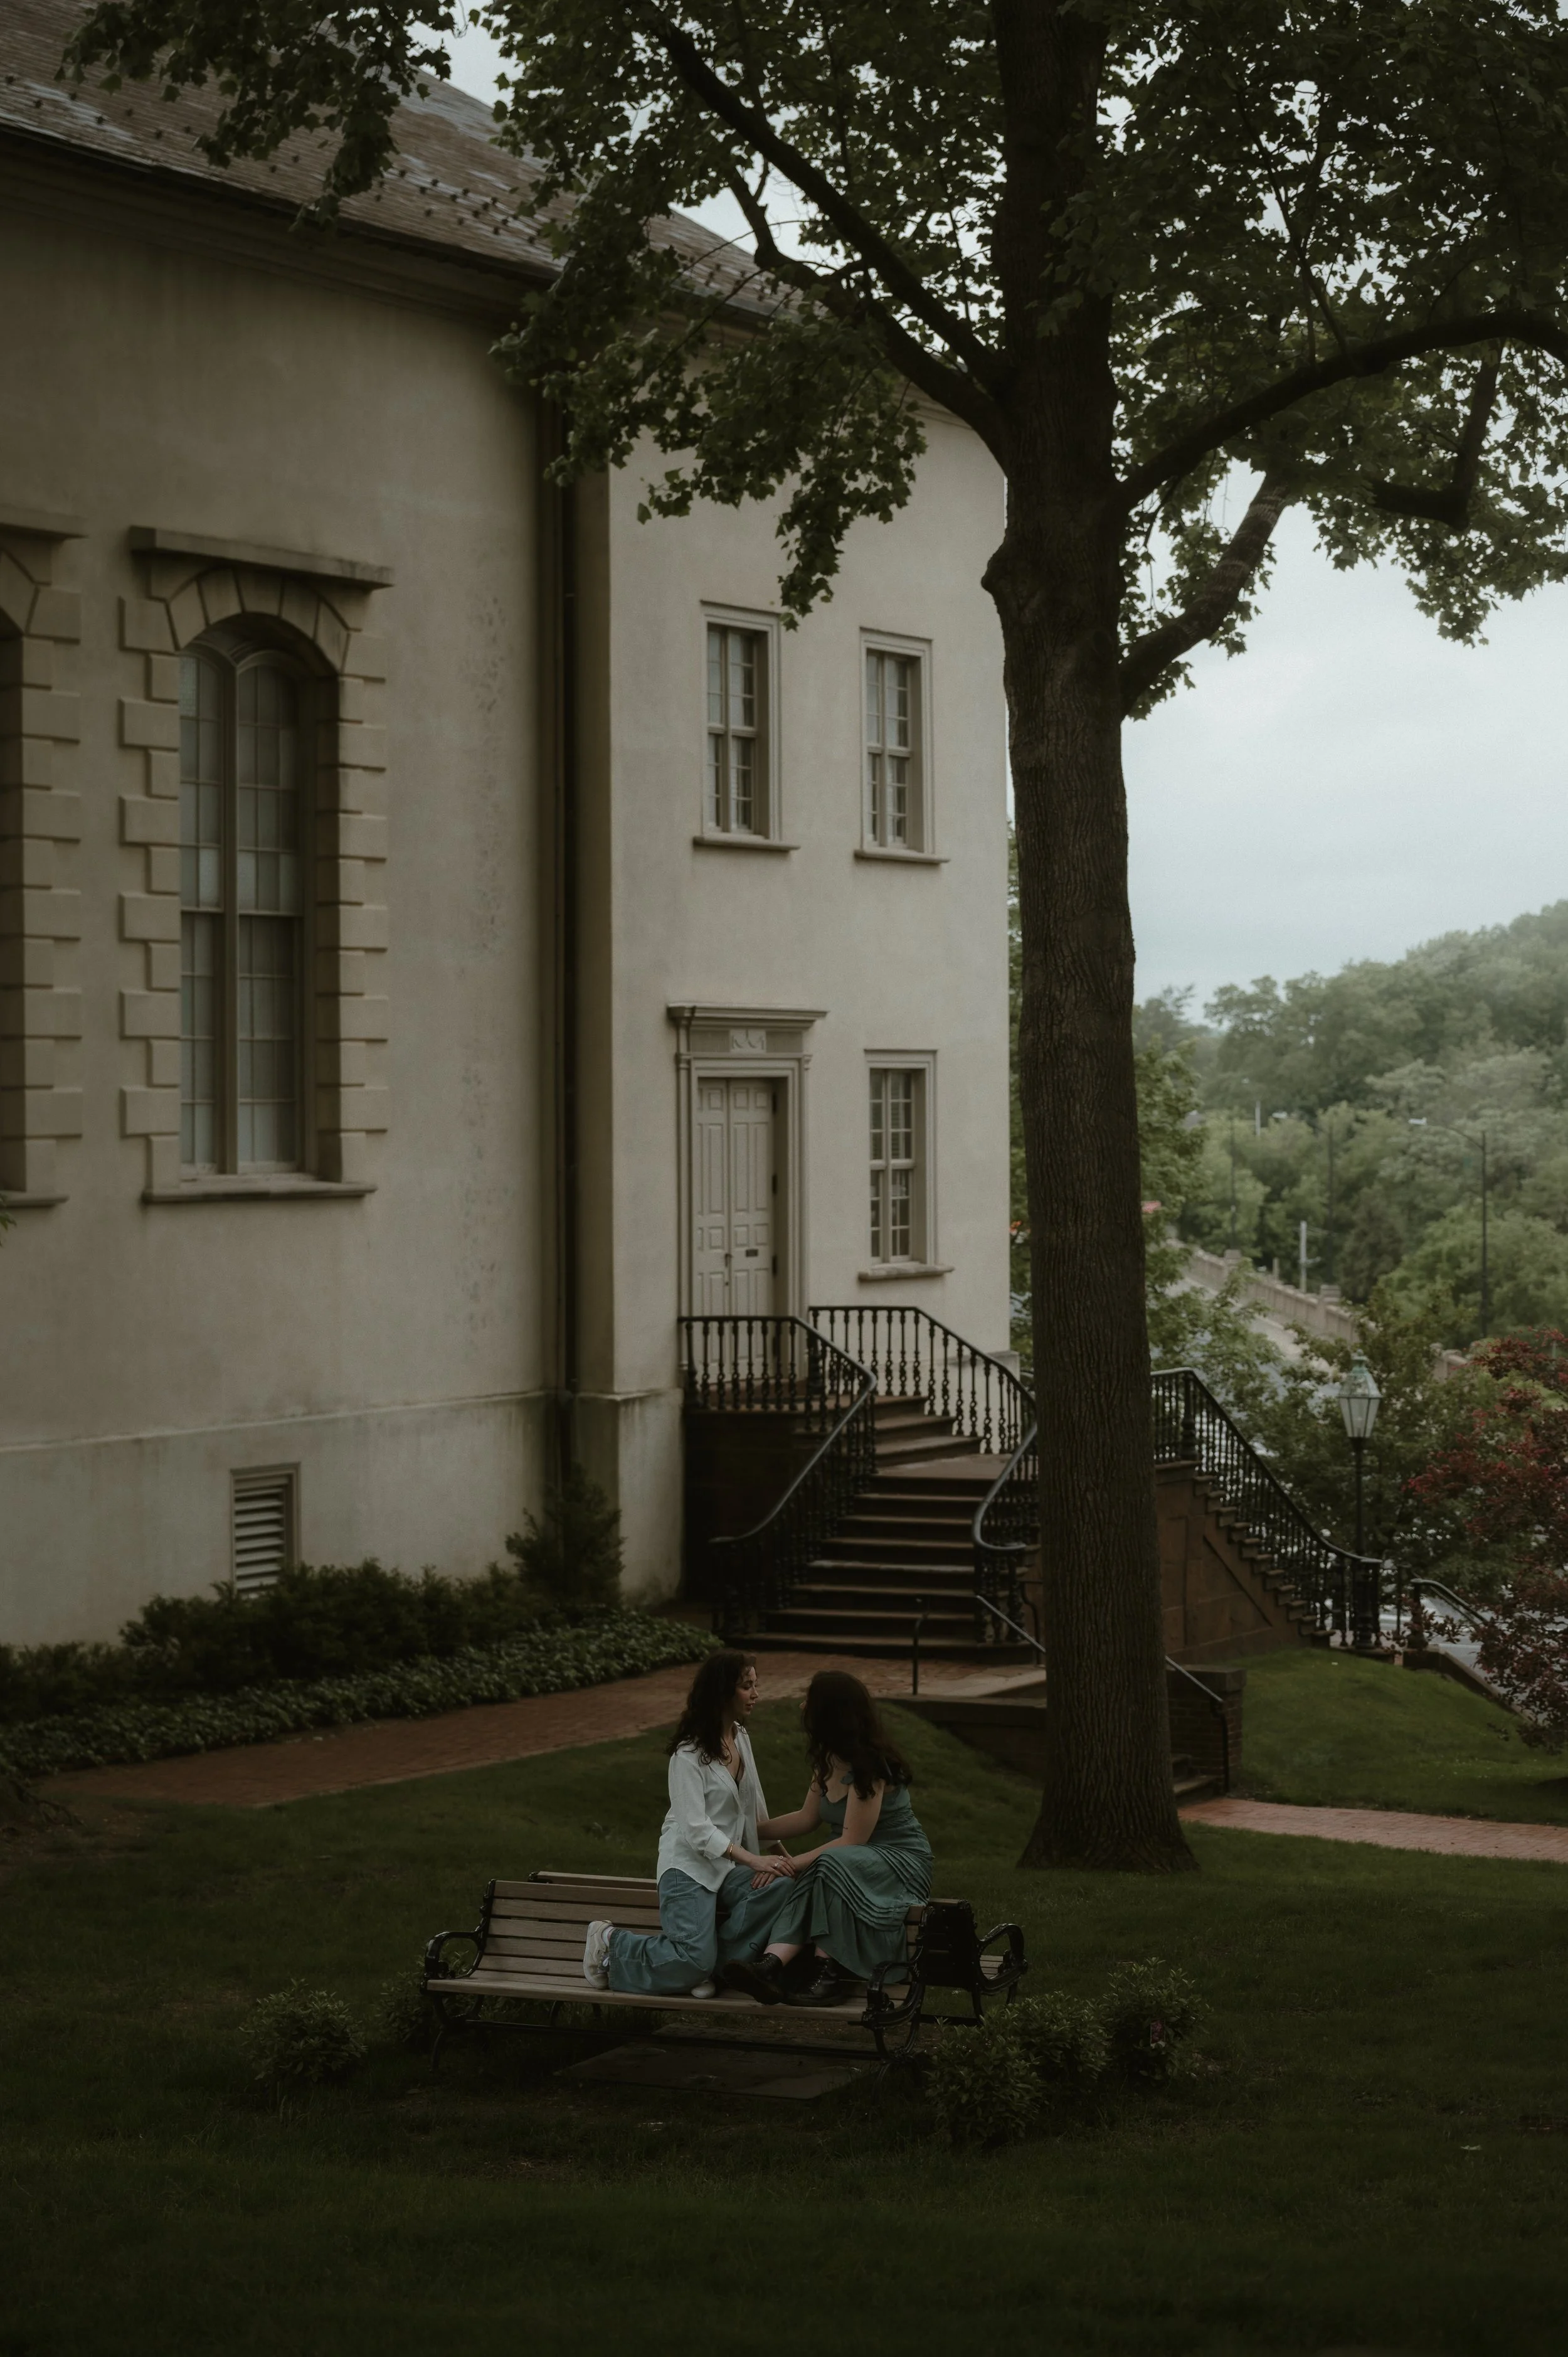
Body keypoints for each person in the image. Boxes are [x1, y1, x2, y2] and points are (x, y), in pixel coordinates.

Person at [582, 1649, 797, 1999]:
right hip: (689, 1867)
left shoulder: (741, 1737)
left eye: (756, 1685)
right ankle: (610, 1943)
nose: (756, 1694)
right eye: (747, 1686)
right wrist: (755, 1861)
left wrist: (785, 1861)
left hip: (728, 1867)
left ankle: (710, 1969)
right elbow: (696, 1830)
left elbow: (756, 1813)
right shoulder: (688, 1753)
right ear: (723, 1692)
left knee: (780, 1886)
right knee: (691, 1960)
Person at [718, 1669, 932, 2007]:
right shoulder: (828, 1760)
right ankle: (769, 1967)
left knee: (828, 1862)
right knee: (826, 1865)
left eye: (811, 1701)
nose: (803, 1705)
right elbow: (807, 1819)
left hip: (898, 1861)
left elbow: (852, 1842)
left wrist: (781, 1865)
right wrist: (742, 1832)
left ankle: (826, 1973)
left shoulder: (870, 1765)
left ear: (830, 1713)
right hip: (849, 1860)